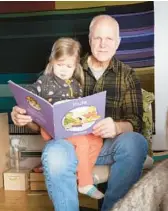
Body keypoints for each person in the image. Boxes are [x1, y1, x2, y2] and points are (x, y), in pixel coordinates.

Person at [11, 15, 148, 211]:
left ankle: (111, 208)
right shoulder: (67, 66)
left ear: (117, 43)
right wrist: (24, 117)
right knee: (55, 153)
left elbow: (136, 122)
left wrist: (117, 126)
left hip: (107, 145)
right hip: (68, 145)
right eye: (97, 38)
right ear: (90, 38)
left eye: (109, 39)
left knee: (136, 142)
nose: (102, 44)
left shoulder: (127, 75)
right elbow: (41, 114)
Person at [23, 37, 104, 199]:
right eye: (60, 64)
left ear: (75, 66)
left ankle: (80, 172)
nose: (64, 70)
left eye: (69, 66)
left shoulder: (76, 85)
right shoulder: (44, 81)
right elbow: (28, 93)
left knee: (97, 139)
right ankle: (85, 183)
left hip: (71, 127)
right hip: (51, 128)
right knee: (81, 142)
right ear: (52, 61)